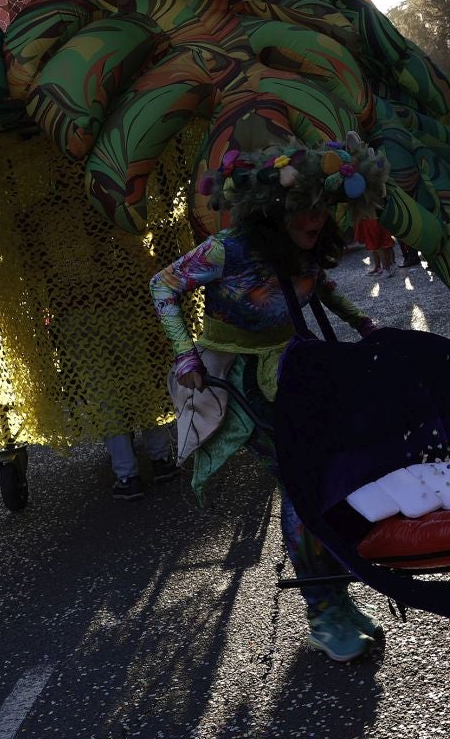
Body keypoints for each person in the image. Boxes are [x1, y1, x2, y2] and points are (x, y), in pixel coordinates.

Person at [152, 135, 387, 662]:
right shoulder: (227, 249)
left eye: (325, 210)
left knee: (334, 476)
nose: (317, 220)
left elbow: (319, 287)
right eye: (306, 209)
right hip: (239, 381)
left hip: (295, 368)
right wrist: (185, 357)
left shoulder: (303, 249)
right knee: (303, 483)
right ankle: (324, 614)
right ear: (275, 209)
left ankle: (337, 598)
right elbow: (162, 285)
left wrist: (365, 324)